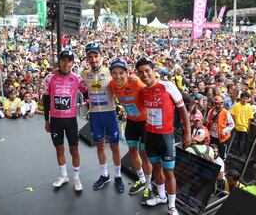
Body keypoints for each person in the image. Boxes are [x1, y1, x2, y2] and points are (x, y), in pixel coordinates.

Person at [135, 57, 191, 215]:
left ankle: (172, 206)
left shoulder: (168, 86)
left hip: (166, 136)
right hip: (150, 136)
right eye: (141, 72)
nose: (145, 75)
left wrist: (187, 132)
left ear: (154, 71)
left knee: (169, 173)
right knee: (156, 169)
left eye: (147, 71)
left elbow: (182, 110)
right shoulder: (144, 90)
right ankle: (161, 196)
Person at [108, 58, 153, 203]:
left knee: (144, 155)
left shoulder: (134, 82)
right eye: (114, 73)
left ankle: (149, 185)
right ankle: (141, 179)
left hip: (145, 123)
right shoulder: (111, 85)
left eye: (121, 73)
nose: (118, 76)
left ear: (127, 73)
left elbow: (149, 88)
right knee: (132, 151)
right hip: (131, 122)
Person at [82, 42, 124, 193]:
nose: (93, 59)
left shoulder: (111, 73)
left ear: (101, 56)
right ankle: (104, 175)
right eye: (90, 57)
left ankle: (118, 176)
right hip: (95, 115)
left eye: (96, 56)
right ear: (87, 58)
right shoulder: (84, 74)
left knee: (114, 146)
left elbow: (124, 82)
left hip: (110, 113)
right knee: (100, 145)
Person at [43, 50, 87, 192]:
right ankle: (63, 175)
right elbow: (46, 99)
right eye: (63, 60)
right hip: (55, 121)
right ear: (59, 61)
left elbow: (87, 92)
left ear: (73, 63)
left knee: (74, 149)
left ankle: (76, 178)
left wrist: (89, 104)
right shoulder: (49, 78)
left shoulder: (77, 78)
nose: (66, 63)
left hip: (71, 121)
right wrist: (46, 120)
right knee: (59, 149)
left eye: (69, 61)